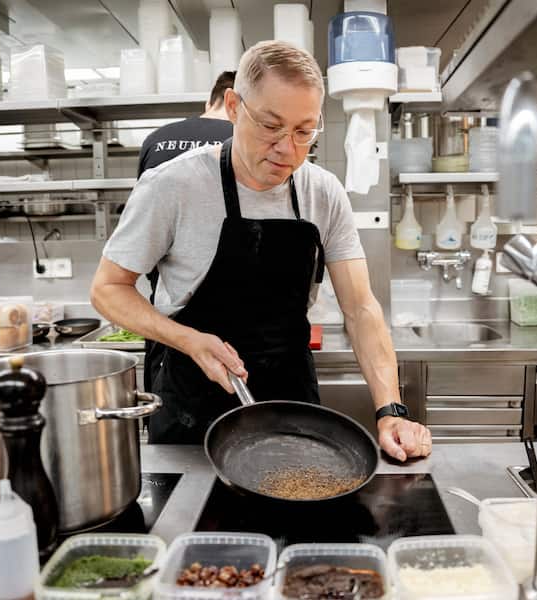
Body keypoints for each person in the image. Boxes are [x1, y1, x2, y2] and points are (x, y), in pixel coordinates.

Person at [92, 41, 431, 461]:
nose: (288, 149)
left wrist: (391, 410)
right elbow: (108, 288)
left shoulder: (322, 191)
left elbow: (361, 308)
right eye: (271, 126)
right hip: (192, 405)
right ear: (233, 107)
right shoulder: (171, 186)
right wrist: (187, 339)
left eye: (304, 131)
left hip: (289, 396)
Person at [136, 72, 236, 388]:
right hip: (238, 326)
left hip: (171, 325)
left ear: (211, 100)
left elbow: (144, 233)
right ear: (235, 104)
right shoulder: (246, 140)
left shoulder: (156, 139)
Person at [137, 71, 236, 177]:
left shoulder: (154, 138)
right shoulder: (240, 140)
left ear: (208, 104)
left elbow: (141, 190)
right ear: (232, 103)